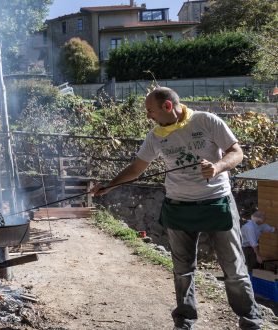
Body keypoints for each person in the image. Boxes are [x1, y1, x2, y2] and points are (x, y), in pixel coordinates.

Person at [91, 87, 262, 330]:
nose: (148, 116)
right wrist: (110, 185)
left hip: (216, 202)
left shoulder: (206, 121)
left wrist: (217, 166)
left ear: (168, 106)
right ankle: (184, 321)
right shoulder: (156, 136)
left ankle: (250, 321)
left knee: (234, 269)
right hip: (179, 206)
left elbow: (237, 152)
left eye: (151, 110)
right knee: (182, 271)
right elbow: (137, 167)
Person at [242, 210, 275, 274]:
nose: (265, 219)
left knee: (255, 264)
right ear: (259, 219)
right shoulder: (250, 227)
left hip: (253, 246)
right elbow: (253, 244)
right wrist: (258, 256)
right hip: (245, 247)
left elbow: (272, 229)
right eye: (264, 217)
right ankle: (250, 279)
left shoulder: (261, 225)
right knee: (251, 266)